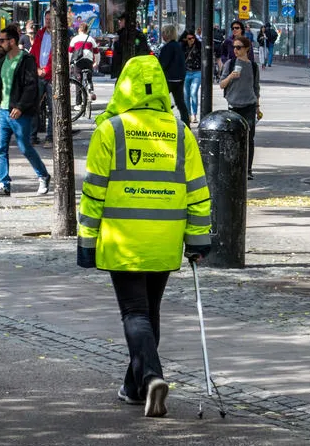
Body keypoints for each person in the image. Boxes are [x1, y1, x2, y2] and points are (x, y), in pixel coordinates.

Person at [77, 54, 212, 418]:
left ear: (123, 86)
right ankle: (135, 388)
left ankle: (152, 377)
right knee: (149, 315)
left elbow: (93, 194)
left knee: (135, 314)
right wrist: (198, 240)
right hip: (164, 240)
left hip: (123, 240)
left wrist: (86, 243)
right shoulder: (180, 131)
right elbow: (198, 191)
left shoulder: (111, 130)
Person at [0, 25, 51, 197]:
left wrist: (20, 107)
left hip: (19, 112)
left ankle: (43, 175)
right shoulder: (2, 60)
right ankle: (4, 185)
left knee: (24, 147)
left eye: (2, 40)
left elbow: (31, 86)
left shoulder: (26, 60)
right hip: (3, 112)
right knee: (0, 148)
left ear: (12, 41)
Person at [219, 36, 260, 180]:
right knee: (233, 138)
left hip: (249, 105)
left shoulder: (253, 67)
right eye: (234, 47)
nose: (235, 50)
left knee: (249, 138)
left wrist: (257, 107)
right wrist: (230, 76)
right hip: (233, 105)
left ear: (246, 49)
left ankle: (248, 169)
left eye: (239, 47)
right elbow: (222, 84)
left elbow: (256, 88)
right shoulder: (230, 64)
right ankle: (234, 167)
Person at [29, 9, 55, 146]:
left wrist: (47, 70)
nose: (48, 21)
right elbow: (33, 53)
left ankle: (50, 137)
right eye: (47, 19)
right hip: (39, 74)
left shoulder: (57, 35)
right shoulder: (40, 34)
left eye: (51, 19)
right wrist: (37, 68)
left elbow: (57, 57)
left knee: (52, 108)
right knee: (34, 106)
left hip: (51, 77)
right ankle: (32, 136)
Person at [158, 24, 189, 125]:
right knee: (180, 103)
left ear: (167, 34)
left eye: (163, 33)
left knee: (160, 100)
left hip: (169, 78)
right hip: (179, 78)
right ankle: (186, 123)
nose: (162, 35)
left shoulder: (167, 47)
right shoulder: (178, 46)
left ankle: (164, 121)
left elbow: (163, 64)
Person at [110, 13, 150, 80]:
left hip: (126, 69)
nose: (119, 22)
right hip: (136, 69)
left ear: (126, 21)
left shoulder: (123, 35)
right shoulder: (139, 35)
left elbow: (119, 54)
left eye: (121, 20)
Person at [68, 22, 98, 101]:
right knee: (89, 78)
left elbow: (70, 52)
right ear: (87, 30)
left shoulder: (75, 39)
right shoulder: (91, 39)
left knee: (78, 81)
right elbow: (97, 52)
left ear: (79, 29)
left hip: (78, 62)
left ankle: (78, 102)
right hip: (89, 61)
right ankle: (91, 91)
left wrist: (69, 62)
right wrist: (96, 63)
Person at [182, 31, 202, 123]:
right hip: (186, 72)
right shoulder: (182, 47)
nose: (191, 40)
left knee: (193, 93)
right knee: (186, 95)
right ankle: (188, 115)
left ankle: (194, 115)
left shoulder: (199, 46)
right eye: (189, 38)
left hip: (196, 72)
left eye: (193, 38)